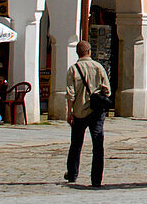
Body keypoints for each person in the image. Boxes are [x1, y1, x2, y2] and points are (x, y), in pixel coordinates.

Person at [64, 40, 111, 187]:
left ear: (78, 53)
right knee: (98, 145)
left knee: (76, 144)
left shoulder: (73, 69)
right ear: (89, 51)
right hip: (97, 112)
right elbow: (107, 90)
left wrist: (69, 112)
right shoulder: (98, 67)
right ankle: (96, 179)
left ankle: (72, 173)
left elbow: (70, 93)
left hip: (79, 111)